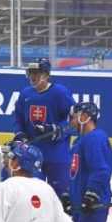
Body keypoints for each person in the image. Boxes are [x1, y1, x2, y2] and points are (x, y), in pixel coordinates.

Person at [12, 58, 76, 200]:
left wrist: (56, 130)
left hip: (57, 156)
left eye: (37, 73)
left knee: (61, 199)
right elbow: (18, 118)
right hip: (32, 156)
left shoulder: (60, 93)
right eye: (31, 72)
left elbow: (74, 122)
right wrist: (20, 133)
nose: (33, 76)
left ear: (47, 75)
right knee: (34, 198)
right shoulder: (25, 94)